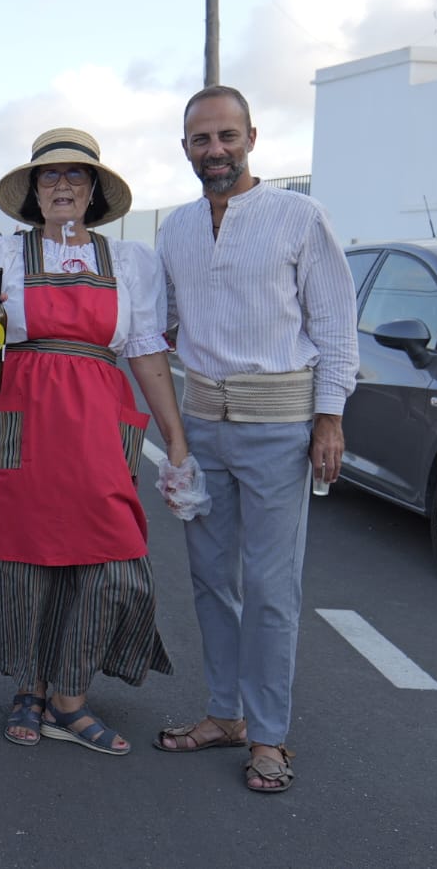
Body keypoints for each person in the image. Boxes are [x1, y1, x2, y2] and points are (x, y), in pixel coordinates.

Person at [154, 86, 358, 793]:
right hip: (204, 427)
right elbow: (164, 325)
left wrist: (328, 416)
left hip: (280, 426)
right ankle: (225, 714)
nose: (216, 150)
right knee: (211, 581)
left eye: (227, 136)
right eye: (202, 139)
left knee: (271, 587)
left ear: (252, 138)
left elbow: (334, 326)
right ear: (185, 148)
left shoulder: (299, 217)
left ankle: (268, 735)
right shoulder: (175, 229)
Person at [0, 128, 184, 757]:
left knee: (113, 553)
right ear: (33, 191)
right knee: (25, 555)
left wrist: (177, 439)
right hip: (16, 412)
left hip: (96, 417)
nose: (62, 186)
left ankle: (70, 696)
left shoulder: (132, 262)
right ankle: (31, 689)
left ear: (94, 191)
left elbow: (145, 352)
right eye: (50, 176)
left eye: (75, 177)